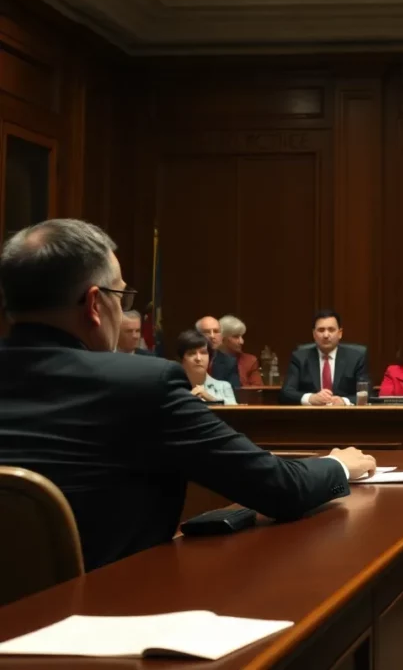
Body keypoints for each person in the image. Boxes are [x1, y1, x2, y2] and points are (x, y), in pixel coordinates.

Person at [0, 219, 376, 571]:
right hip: (104, 619)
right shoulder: (143, 384)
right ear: (95, 304)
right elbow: (277, 488)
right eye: (123, 296)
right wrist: (337, 464)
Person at [280, 310, 369, 405]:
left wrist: (344, 401)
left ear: (340, 333)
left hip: (345, 416)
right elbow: (286, 393)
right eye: (321, 330)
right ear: (314, 334)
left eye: (331, 330)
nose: (326, 335)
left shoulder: (356, 357)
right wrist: (310, 398)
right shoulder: (299, 358)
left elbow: (367, 393)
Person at [177, 329, 237, 405]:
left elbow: (234, 412)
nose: (198, 358)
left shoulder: (223, 386)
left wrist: (208, 397)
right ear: (181, 359)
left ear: (210, 357)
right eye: (191, 353)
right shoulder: (173, 388)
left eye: (203, 353)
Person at [196, 315, 241, 391]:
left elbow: (234, 394)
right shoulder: (188, 360)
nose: (212, 336)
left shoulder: (229, 363)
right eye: (207, 332)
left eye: (216, 331)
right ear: (197, 335)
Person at [219, 314, 264, 387]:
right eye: (236, 337)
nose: (241, 341)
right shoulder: (210, 358)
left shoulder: (249, 361)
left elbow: (258, 390)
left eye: (242, 336)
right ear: (223, 338)